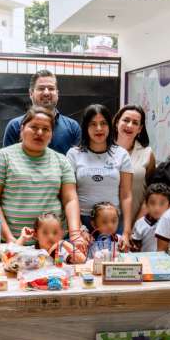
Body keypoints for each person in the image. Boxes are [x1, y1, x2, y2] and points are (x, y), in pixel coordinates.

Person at [0, 106, 86, 251]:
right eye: (34, 127)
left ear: (51, 134)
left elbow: (70, 199)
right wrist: (10, 238)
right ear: (22, 129)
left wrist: (75, 234)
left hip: (54, 245)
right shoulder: (2, 157)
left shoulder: (61, 161)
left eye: (46, 129)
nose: (40, 133)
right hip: (14, 243)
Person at [66, 104, 133, 244]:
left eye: (103, 123)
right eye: (93, 124)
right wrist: (79, 228)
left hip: (113, 222)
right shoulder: (74, 154)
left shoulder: (121, 154)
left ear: (110, 126)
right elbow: (69, 194)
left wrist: (126, 233)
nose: (99, 128)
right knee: (82, 258)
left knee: (113, 257)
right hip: (82, 221)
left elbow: (126, 195)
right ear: (85, 127)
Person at [2, 70, 81, 155]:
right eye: (41, 88)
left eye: (51, 88)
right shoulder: (14, 126)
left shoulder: (73, 127)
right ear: (31, 93)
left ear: (57, 93)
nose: (46, 93)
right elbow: (7, 160)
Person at [112, 104, 156, 222]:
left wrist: (137, 226)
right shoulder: (102, 150)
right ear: (117, 122)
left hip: (136, 223)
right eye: (126, 120)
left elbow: (151, 193)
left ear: (140, 129)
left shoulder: (147, 154)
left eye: (135, 123)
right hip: (104, 224)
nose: (130, 125)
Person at [15, 212, 86, 264]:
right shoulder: (32, 251)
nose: (50, 236)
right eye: (45, 232)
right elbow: (12, 257)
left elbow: (82, 260)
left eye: (55, 232)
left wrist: (63, 243)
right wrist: (23, 238)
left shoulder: (61, 252)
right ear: (36, 235)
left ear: (61, 235)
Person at [131, 183, 170, 252]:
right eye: (152, 203)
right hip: (145, 258)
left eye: (162, 203)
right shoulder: (140, 223)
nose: (157, 208)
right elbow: (135, 247)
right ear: (146, 204)